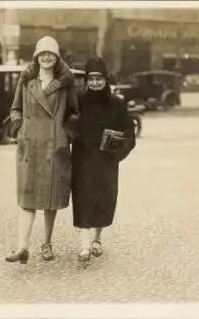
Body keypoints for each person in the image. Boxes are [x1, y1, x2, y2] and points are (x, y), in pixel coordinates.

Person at [5, 36, 79, 264]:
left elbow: (74, 114)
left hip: (53, 146)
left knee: (50, 199)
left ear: (56, 58)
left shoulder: (65, 82)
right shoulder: (26, 80)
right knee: (27, 198)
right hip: (30, 145)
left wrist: (64, 133)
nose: (46, 57)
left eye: (51, 54)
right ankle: (22, 247)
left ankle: (46, 243)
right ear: (36, 56)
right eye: (42, 54)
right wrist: (20, 128)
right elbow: (15, 108)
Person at [71, 56, 136, 262]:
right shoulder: (78, 101)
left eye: (99, 79)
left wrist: (118, 152)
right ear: (86, 80)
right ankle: (84, 246)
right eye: (91, 79)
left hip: (107, 160)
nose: (95, 83)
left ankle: (97, 239)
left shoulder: (117, 104)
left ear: (106, 80)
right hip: (82, 159)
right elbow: (67, 124)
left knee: (103, 200)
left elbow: (128, 132)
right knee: (82, 199)